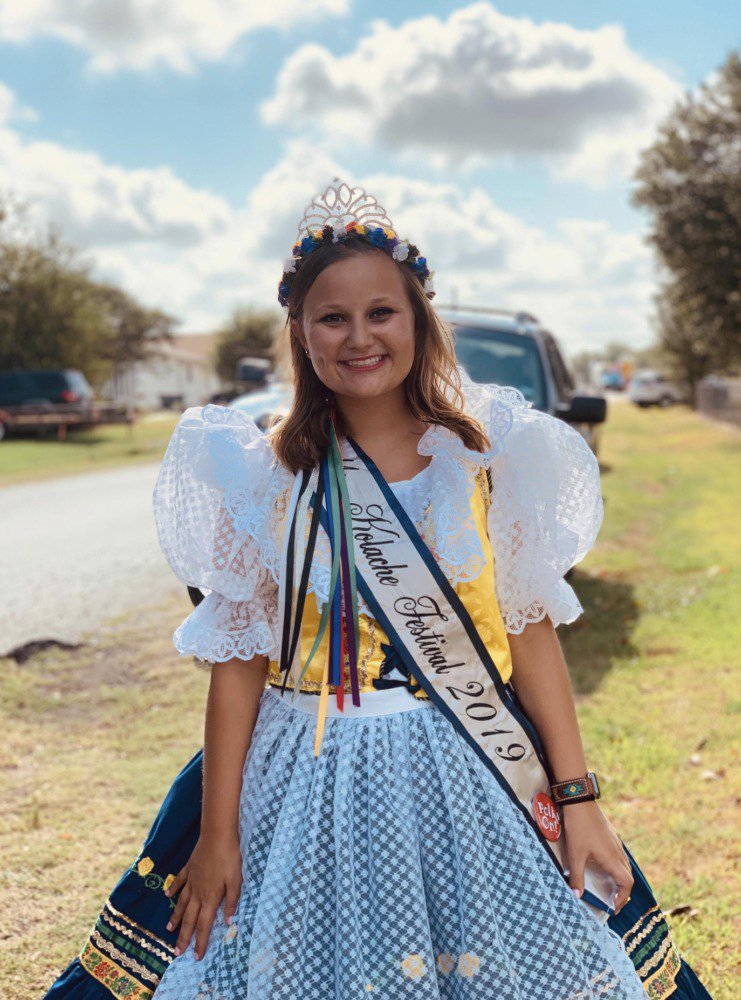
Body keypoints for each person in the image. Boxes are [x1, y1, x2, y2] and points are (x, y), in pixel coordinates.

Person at [45, 181, 710, 999]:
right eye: (332, 317)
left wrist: (577, 799)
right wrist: (216, 834)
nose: (358, 337)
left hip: (467, 770)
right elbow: (240, 658)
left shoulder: (487, 459)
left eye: (380, 313)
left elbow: (529, 630)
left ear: (418, 320)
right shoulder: (261, 476)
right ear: (301, 332)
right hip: (303, 777)